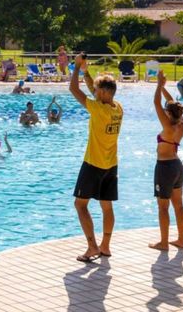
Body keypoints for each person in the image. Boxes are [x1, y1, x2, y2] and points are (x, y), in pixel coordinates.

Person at [69, 53, 123, 262]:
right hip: (111, 165)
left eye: (97, 91)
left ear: (103, 93)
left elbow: (74, 90)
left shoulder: (98, 109)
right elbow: (94, 89)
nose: (95, 93)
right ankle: (105, 246)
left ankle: (92, 247)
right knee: (107, 206)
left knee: (80, 205)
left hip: (93, 164)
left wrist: (76, 68)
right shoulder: (117, 108)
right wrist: (86, 72)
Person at [149, 70, 183, 251]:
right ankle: (181, 240)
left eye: (166, 110)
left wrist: (158, 85)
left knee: (163, 207)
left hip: (164, 167)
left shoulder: (167, 126)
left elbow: (156, 103)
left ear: (169, 113)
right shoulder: (182, 123)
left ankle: (163, 243)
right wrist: (164, 87)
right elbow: (172, 103)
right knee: (178, 205)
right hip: (177, 166)